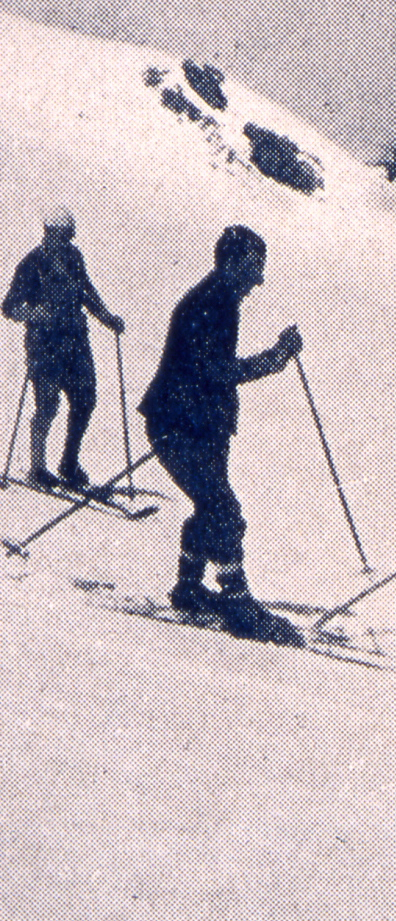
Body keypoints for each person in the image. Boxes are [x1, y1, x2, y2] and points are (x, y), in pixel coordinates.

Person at [138, 225, 304, 646]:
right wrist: (275, 359)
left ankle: (190, 586)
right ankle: (236, 600)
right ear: (230, 264)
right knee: (222, 509)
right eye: (253, 268)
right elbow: (215, 372)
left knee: (210, 504)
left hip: (198, 425)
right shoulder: (210, 305)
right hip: (180, 426)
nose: (259, 280)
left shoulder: (220, 299)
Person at [2, 208, 125, 491]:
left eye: (69, 236)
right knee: (47, 405)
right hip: (45, 345)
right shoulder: (32, 264)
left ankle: (69, 462)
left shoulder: (73, 257)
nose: (67, 241)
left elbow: (86, 292)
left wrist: (107, 317)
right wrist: (35, 313)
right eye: (62, 236)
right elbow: (9, 306)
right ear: (49, 233)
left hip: (76, 341)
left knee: (85, 399)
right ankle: (37, 467)